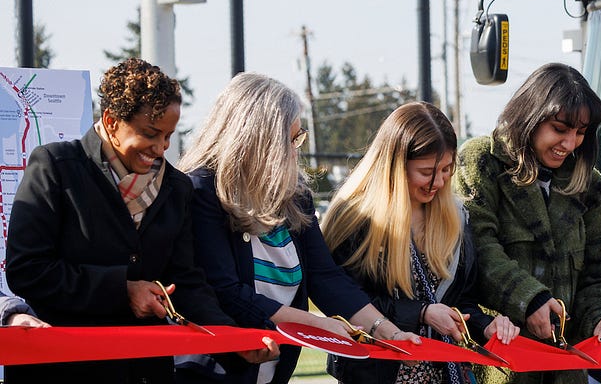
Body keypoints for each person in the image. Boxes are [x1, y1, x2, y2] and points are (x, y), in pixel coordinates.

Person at [5, 59, 275, 382]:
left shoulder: (177, 189)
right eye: (151, 134)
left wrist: (232, 341)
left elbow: (187, 284)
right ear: (111, 121)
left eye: (169, 136)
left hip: (145, 372)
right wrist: (123, 290)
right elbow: (27, 270)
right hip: (64, 370)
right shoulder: (56, 167)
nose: (161, 149)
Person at [178, 72, 420, 384]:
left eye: (298, 137)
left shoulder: (295, 195)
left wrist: (385, 329)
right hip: (207, 371)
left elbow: (325, 277)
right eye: (290, 140)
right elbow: (225, 292)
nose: (296, 150)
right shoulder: (201, 190)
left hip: (270, 372)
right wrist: (314, 324)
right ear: (255, 141)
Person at [323, 102, 520, 383]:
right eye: (427, 172)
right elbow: (346, 300)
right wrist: (422, 313)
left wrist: (486, 326)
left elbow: (461, 302)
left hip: (444, 373)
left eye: (446, 170)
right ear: (394, 165)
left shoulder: (455, 216)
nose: (438, 182)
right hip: (377, 372)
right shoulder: (357, 219)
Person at [455, 63, 601, 384]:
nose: (571, 143)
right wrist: (528, 299)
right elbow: (479, 247)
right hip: (498, 364)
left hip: (569, 369)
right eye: (560, 129)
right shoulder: (480, 160)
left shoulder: (591, 184)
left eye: (581, 132)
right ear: (530, 115)